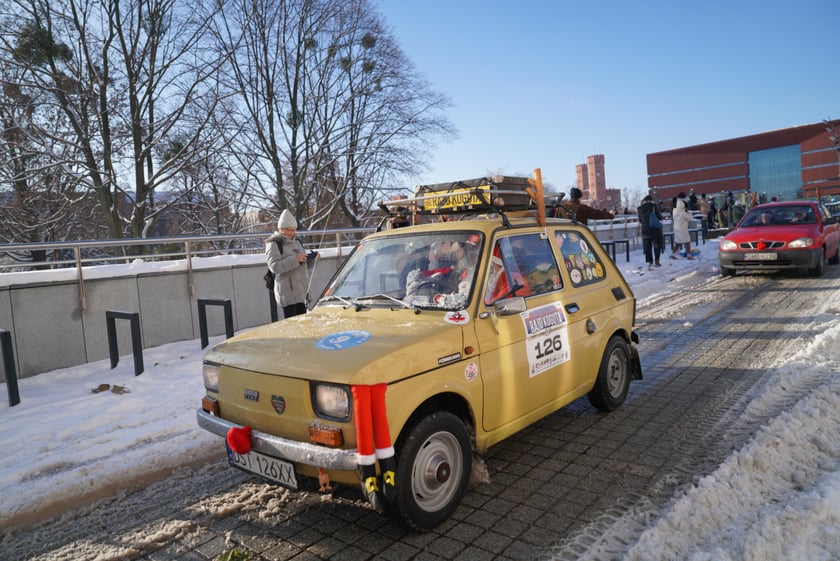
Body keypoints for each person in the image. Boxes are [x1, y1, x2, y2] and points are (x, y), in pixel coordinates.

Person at [266, 209, 315, 319]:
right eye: (290, 230)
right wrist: (295, 259)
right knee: (292, 325)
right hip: (287, 291)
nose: (293, 233)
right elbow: (274, 267)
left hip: (301, 290)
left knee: (303, 323)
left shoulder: (297, 242)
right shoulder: (274, 244)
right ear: (282, 229)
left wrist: (311, 260)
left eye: (294, 230)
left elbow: (303, 266)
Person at [637, 195, 664, 269]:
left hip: (645, 230)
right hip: (654, 230)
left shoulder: (640, 209)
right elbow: (658, 216)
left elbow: (640, 220)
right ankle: (657, 261)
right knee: (657, 245)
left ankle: (650, 262)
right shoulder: (653, 206)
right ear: (651, 200)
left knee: (647, 247)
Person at [670, 193, 693, 260]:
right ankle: (689, 255)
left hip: (677, 229)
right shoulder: (683, 213)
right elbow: (690, 218)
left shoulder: (674, 211)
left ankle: (672, 254)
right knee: (687, 242)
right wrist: (688, 213)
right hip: (683, 229)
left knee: (678, 243)